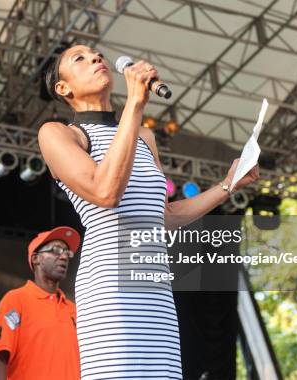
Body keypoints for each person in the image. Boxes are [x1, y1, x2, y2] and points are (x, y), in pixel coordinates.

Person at [38, 45, 260, 379]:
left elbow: (165, 216)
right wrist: (135, 104)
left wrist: (228, 184)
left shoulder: (143, 136)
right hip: (110, 286)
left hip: (155, 290)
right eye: (80, 58)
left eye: (97, 54)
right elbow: (105, 191)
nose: (96, 59)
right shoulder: (60, 134)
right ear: (63, 88)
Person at [0, 226, 82, 380]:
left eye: (67, 252)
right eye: (56, 250)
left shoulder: (75, 310)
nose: (64, 257)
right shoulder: (16, 300)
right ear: (36, 258)